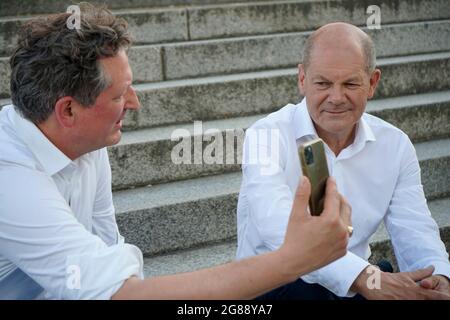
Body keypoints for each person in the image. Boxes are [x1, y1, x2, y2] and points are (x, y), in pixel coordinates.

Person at [0, 4, 351, 300]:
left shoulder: (85, 141)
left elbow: (107, 253)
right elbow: (120, 295)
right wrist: (291, 260)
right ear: (68, 111)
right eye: (120, 95)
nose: (135, 103)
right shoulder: (10, 177)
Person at [236, 22, 450, 300]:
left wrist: (438, 277)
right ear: (302, 79)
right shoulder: (266, 136)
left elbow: (415, 227)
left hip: (356, 284)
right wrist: (365, 278)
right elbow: (278, 228)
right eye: (323, 83)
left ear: (372, 83)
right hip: (276, 287)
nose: (336, 98)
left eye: (350, 83)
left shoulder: (395, 145)